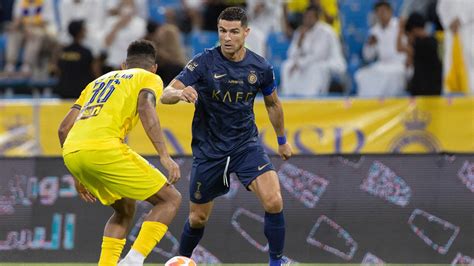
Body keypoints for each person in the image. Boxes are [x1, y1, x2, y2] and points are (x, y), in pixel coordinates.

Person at [160, 7, 293, 266]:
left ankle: (277, 263)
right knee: (198, 218)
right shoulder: (203, 62)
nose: (227, 37)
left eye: (234, 32)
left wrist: (282, 140)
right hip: (209, 150)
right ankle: (180, 261)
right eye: (222, 31)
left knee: (274, 200)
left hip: (246, 145)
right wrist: (180, 93)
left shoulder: (260, 67)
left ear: (246, 32)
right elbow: (166, 94)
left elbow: (273, 104)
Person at [58, 40, 182, 266]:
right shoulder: (149, 78)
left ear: (124, 65)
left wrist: (78, 175)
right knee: (170, 199)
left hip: (73, 152)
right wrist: (164, 155)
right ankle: (133, 261)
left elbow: (63, 129)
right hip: (104, 147)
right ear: (154, 67)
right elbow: (146, 107)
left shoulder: (97, 82)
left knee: (124, 208)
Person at [280, 5, 346, 96]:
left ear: (317, 18)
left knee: (314, 68)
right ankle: (290, 97)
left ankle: (311, 97)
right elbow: (290, 54)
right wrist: (300, 42)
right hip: (306, 62)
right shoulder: (300, 31)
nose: (308, 19)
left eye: (310, 17)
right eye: (306, 17)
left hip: (329, 62)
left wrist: (299, 63)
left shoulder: (326, 31)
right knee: (287, 66)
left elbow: (319, 55)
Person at [397, 13, 442, 96]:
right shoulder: (434, 41)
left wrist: (401, 28)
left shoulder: (420, 44)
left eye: (408, 34)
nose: (408, 38)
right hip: (435, 90)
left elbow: (399, 48)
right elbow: (409, 63)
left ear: (413, 30)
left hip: (422, 92)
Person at [55, 20, 99, 99]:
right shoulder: (86, 52)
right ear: (80, 32)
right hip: (82, 93)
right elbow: (95, 72)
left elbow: (57, 70)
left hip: (64, 92)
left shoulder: (62, 52)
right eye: (83, 29)